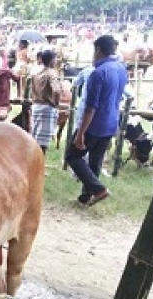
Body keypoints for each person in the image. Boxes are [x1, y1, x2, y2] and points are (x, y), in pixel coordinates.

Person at [65, 35, 128, 207]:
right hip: (111, 122)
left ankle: (98, 189)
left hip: (95, 124)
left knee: (72, 156)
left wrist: (81, 133)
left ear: (98, 50)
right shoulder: (122, 69)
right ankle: (86, 197)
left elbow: (90, 108)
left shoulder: (97, 74)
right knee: (95, 160)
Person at [30, 50, 62, 154]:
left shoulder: (36, 73)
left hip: (36, 106)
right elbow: (56, 90)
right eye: (55, 58)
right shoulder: (51, 73)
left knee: (35, 138)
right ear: (52, 60)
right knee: (42, 142)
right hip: (47, 108)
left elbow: (32, 89)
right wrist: (56, 103)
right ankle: (39, 163)